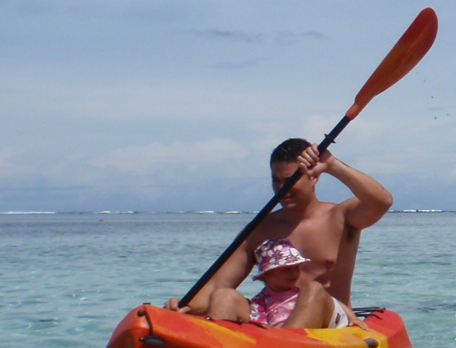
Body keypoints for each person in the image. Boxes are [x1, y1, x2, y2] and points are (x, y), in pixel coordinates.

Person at [167, 138, 392, 320]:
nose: (281, 189)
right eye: (276, 181)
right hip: (272, 321)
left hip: (330, 327)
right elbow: (216, 285)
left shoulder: (342, 217)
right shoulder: (259, 229)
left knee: (313, 291)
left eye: (289, 180)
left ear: (314, 176)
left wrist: (333, 165)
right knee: (224, 297)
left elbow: (381, 202)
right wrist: (182, 305)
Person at [203, 238, 349, 329]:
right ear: (267, 274)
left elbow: (332, 302)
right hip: (275, 338)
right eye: (286, 269)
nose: (294, 274)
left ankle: (286, 347)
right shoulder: (260, 302)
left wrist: (353, 318)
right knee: (222, 295)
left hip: (297, 340)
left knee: (315, 288)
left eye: (296, 268)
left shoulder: (304, 295)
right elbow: (259, 323)